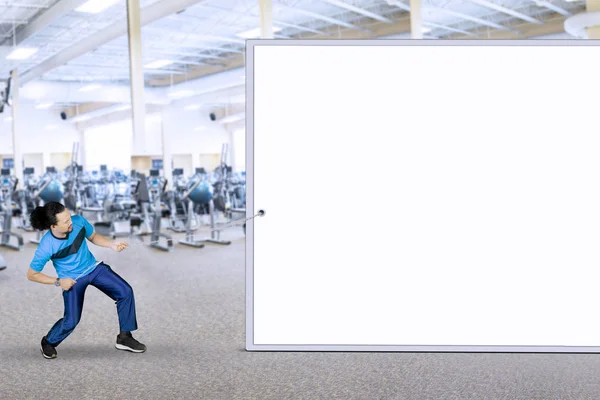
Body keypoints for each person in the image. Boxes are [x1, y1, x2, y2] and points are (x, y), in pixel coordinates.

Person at [26, 202, 146, 359]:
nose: (71, 222)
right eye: (66, 221)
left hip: (93, 268)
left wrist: (111, 244)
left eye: (69, 217)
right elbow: (32, 274)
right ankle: (48, 342)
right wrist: (58, 281)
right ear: (53, 226)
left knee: (125, 292)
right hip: (72, 279)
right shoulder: (46, 246)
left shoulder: (78, 222)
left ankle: (124, 337)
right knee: (71, 321)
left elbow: (94, 236)